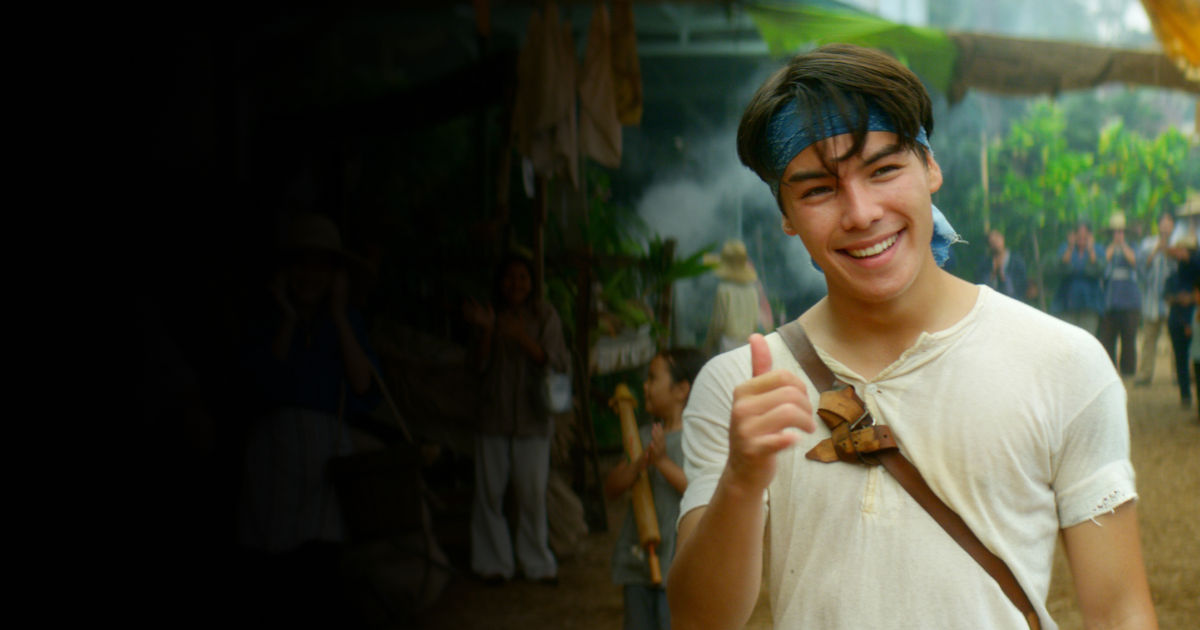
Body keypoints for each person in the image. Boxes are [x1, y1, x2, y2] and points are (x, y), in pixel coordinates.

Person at [667, 43, 1156, 629]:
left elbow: (1120, 611)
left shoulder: (1063, 363)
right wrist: (742, 482)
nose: (861, 212)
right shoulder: (741, 388)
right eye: (818, 189)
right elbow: (698, 619)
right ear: (787, 216)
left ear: (930, 167)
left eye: (883, 170)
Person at [462, 252, 571, 584]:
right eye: (509, 277)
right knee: (489, 493)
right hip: (492, 416)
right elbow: (476, 367)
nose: (516, 284)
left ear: (532, 282)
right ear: (499, 282)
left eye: (523, 277)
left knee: (532, 495)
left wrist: (520, 337)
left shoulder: (544, 315)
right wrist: (487, 331)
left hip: (533, 418)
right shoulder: (487, 314)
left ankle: (537, 564)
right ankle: (493, 564)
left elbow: (556, 362)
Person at [604, 347, 706, 630]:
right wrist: (637, 465)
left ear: (681, 390)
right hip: (638, 562)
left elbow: (699, 492)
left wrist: (661, 462)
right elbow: (611, 488)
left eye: (653, 378)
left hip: (675, 564)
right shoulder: (640, 437)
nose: (645, 386)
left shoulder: (697, 439)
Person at [1164, 195, 1200, 408]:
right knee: (1181, 357)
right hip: (1179, 314)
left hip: (1194, 311)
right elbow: (1170, 253)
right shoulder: (1180, 230)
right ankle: (1185, 394)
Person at [1133, 210, 1176, 386]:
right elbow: (1141, 270)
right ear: (1158, 225)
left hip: (1172, 301)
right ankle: (1145, 374)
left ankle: (1178, 375)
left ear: (1173, 225)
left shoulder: (1178, 244)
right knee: (1148, 339)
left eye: (1168, 223)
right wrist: (1156, 250)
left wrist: (1170, 251)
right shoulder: (1148, 244)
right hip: (1151, 301)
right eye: (1162, 223)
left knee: (1175, 339)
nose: (1165, 226)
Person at [1096, 212, 1141, 377]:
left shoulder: (1132, 246)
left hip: (1130, 302)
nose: (1118, 234)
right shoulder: (1104, 248)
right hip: (1110, 302)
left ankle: (1128, 372)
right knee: (1108, 339)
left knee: (1129, 339)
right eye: (1115, 232)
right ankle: (1109, 373)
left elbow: (1136, 262)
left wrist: (1123, 246)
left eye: (1121, 231)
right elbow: (1101, 264)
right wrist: (1113, 247)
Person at [703, 239, 762, 355]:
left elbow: (718, 323)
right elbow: (755, 323)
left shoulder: (724, 289)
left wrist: (708, 345)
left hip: (728, 344)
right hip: (747, 344)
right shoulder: (752, 290)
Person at [1053, 221, 1105, 335]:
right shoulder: (1065, 248)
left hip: (1090, 304)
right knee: (1068, 337)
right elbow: (1060, 268)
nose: (1081, 239)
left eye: (1085, 236)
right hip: (1067, 303)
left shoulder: (1098, 249)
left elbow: (1100, 270)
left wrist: (1090, 250)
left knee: (1087, 337)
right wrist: (1070, 247)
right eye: (1079, 235)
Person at [976, 227, 1029, 302]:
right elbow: (981, 288)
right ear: (989, 246)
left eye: (997, 239)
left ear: (1002, 238)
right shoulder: (985, 264)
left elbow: (1021, 288)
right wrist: (992, 274)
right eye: (992, 242)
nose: (996, 244)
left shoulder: (1016, 261)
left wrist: (1003, 276)